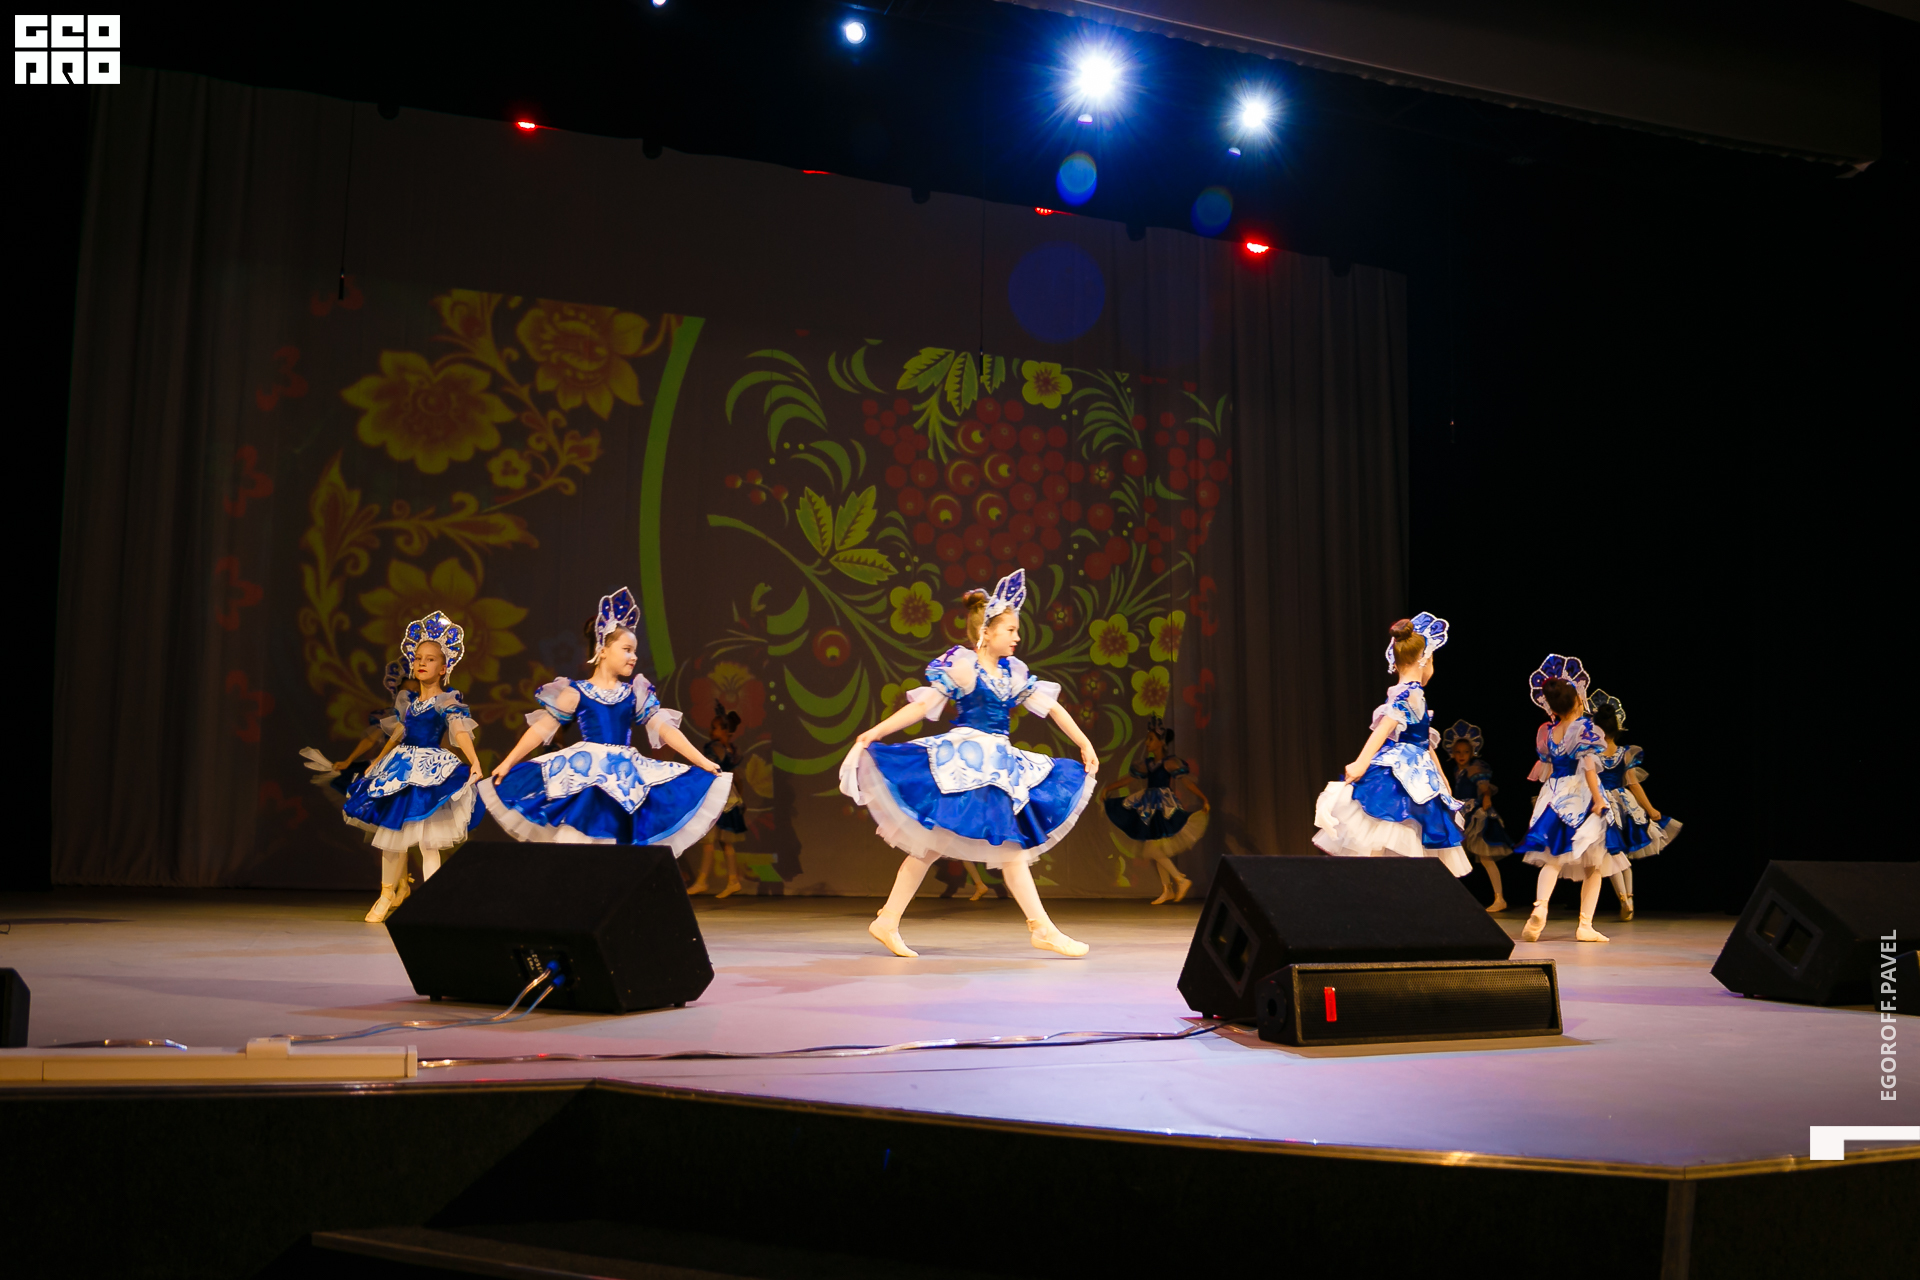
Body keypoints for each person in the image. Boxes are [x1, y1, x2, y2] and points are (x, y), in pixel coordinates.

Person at [839, 570, 1099, 958]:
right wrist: (874, 732)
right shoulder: (963, 668)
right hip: (964, 763)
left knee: (950, 848)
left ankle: (888, 920)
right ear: (986, 633)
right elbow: (922, 706)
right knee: (967, 847)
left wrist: (1083, 741)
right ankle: (1041, 929)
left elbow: (1052, 707)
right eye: (1010, 629)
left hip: (997, 765)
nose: (1017, 637)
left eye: (1016, 630)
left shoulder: (1012, 674)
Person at [480, 588, 730, 851]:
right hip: (585, 772)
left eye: (635, 651)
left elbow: (666, 730)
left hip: (623, 775)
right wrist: (508, 762)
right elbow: (541, 729)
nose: (634, 656)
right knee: (583, 838)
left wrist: (702, 761)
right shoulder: (575, 692)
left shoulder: (634, 694)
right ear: (603, 650)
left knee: (617, 840)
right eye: (627, 649)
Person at [343, 614, 487, 923]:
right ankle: (387, 894)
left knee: (428, 841)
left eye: (430, 659)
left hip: (427, 768)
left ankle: (433, 901)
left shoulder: (446, 700)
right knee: (391, 833)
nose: (422, 663)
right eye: (418, 658)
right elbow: (399, 732)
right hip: (399, 768)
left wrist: (474, 760)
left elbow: (458, 730)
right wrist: (378, 760)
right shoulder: (408, 701)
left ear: (443, 667)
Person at [1313, 613, 1469, 876]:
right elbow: (1385, 727)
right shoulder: (1410, 692)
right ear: (1424, 659)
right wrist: (1361, 762)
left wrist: (1443, 778)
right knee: (1392, 832)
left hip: (1415, 770)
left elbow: (1423, 742)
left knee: (1388, 837)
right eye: (1432, 661)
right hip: (1407, 773)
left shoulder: (1405, 692)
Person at [1514, 655, 1628, 943]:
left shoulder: (1550, 731)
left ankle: (1540, 908)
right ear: (1578, 699)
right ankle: (1584, 925)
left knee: (1553, 858)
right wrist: (1598, 800)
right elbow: (1589, 767)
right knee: (1595, 864)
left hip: (1556, 793)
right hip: (1581, 794)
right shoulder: (1584, 729)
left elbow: (1547, 767)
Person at [1586, 689, 1682, 921]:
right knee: (1623, 854)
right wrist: (1650, 809)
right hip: (1623, 803)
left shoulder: (1590, 753)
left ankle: (1624, 900)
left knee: (1612, 853)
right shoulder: (1624, 753)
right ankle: (1629, 898)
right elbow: (1633, 785)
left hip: (1602, 804)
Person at [1103, 716, 1209, 905]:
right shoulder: (1147, 764)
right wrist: (1108, 788)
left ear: (1161, 742)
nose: (1147, 742)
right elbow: (1128, 779)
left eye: (1151, 739)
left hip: (1163, 806)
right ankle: (1167, 889)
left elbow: (1186, 782)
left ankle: (1180, 879)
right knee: (1154, 847)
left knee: (1152, 849)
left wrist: (1203, 798)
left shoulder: (1170, 763)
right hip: (1149, 806)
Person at [300, 660, 409, 801]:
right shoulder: (395, 718)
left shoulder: (431, 714)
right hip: (392, 766)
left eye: (415, 692)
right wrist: (349, 761)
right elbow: (372, 739)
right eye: (406, 693)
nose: (409, 697)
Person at [1442, 719, 1514, 912]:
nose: (1461, 755)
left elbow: (1484, 787)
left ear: (1472, 752)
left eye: (1466, 752)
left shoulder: (1475, 768)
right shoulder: (1456, 770)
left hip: (1476, 816)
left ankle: (1499, 898)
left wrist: (1486, 799)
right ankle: (1450, 897)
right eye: (1458, 752)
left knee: (1485, 857)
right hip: (1461, 816)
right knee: (1455, 856)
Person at [687, 705, 749, 898]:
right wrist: (739, 798)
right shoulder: (730, 751)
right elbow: (736, 777)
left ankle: (703, 881)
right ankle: (732, 880)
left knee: (709, 840)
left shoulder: (714, 748)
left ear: (725, 730)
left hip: (718, 795)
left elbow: (708, 769)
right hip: (728, 796)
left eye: (714, 728)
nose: (711, 731)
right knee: (723, 842)